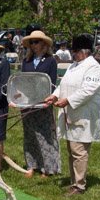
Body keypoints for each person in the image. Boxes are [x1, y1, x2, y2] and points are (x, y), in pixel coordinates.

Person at [44, 35, 100, 197]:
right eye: (73, 51)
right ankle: (74, 181)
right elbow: (64, 84)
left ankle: (80, 186)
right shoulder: (74, 66)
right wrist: (55, 96)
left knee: (79, 151)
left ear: (86, 51)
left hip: (83, 114)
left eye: (76, 51)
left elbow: (88, 91)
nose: (74, 54)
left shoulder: (93, 67)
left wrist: (68, 101)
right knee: (72, 150)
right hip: (70, 112)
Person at [19, 30, 61, 178]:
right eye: (32, 42)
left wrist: (47, 99)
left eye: (36, 42)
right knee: (29, 135)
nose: (34, 45)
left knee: (45, 136)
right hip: (27, 103)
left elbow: (52, 83)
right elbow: (22, 82)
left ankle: (48, 167)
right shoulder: (26, 61)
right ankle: (31, 165)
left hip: (43, 102)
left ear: (43, 43)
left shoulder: (50, 61)